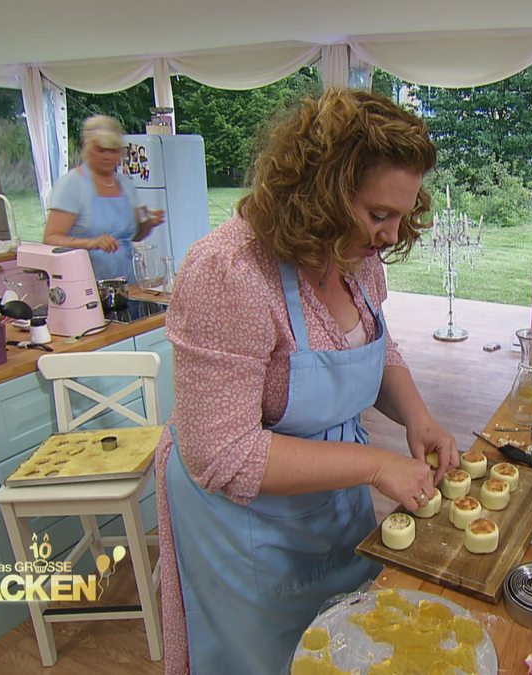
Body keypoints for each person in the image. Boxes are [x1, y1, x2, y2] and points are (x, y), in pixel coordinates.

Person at [154, 89, 461, 675]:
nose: (393, 236)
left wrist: (419, 418)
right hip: (245, 530)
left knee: (345, 650)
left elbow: (373, 345)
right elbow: (223, 454)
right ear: (320, 193)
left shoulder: (355, 257)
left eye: (403, 213)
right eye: (379, 214)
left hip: (330, 501)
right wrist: (375, 465)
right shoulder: (231, 273)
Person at [44, 115, 165, 282]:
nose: (107, 157)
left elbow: (135, 236)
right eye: (101, 150)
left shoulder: (126, 184)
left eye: (113, 151)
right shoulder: (71, 185)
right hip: (85, 283)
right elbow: (51, 239)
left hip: (129, 281)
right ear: (87, 148)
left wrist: (149, 224)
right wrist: (92, 243)